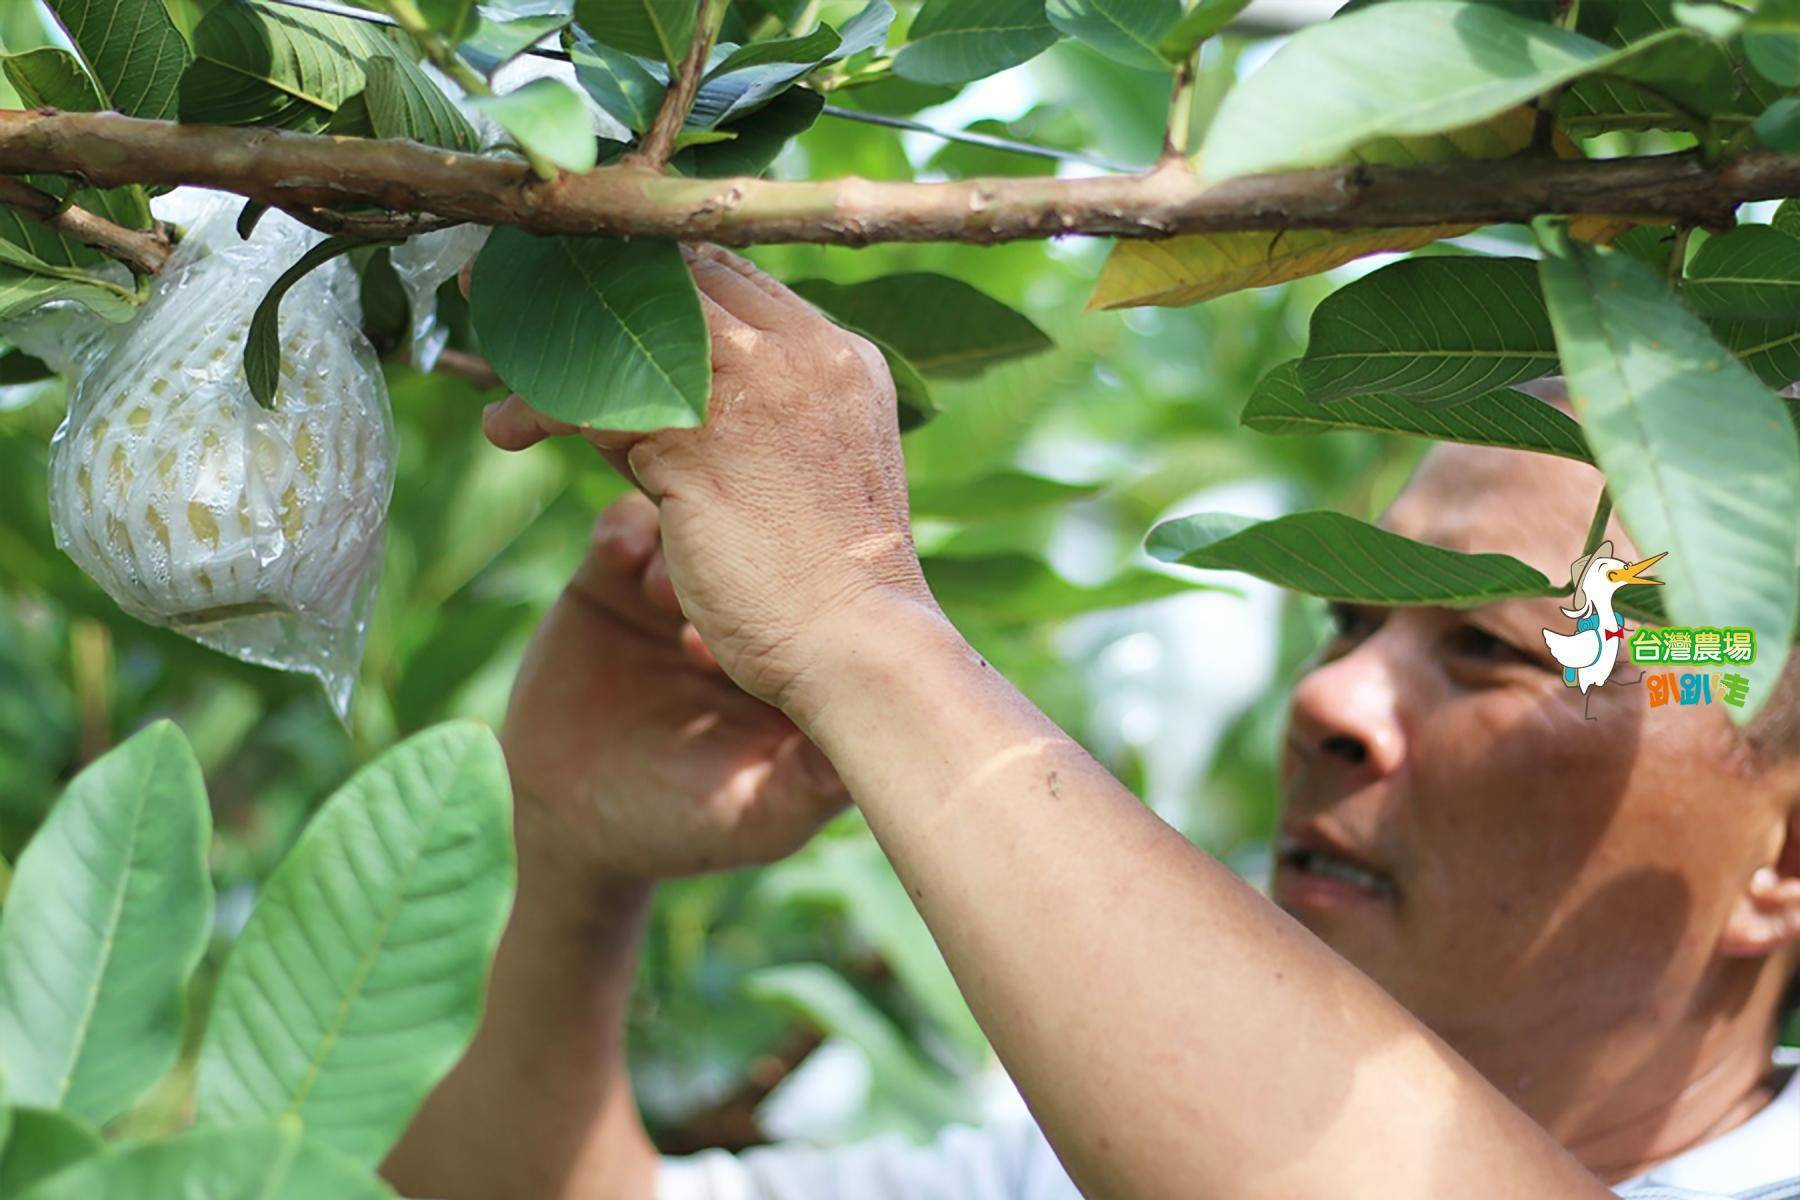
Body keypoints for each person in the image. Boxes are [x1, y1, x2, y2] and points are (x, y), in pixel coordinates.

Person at [384, 246, 1800, 1200]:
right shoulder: (1057, 1161)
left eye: (1496, 648)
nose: (1330, 701)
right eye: (1354, 615)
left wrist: (861, 624)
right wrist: (555, 847)